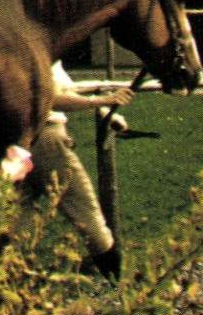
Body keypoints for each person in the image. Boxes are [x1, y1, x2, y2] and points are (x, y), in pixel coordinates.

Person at [32, 60, 134, 275]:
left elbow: (66, 91)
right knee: (86, 211)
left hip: (25, 139)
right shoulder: (32, 52)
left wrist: (104, 111)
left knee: (16, 219)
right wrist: (103, 100)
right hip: (46, 138)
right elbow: (49, 98)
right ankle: (118, 281)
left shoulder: (49, 55)